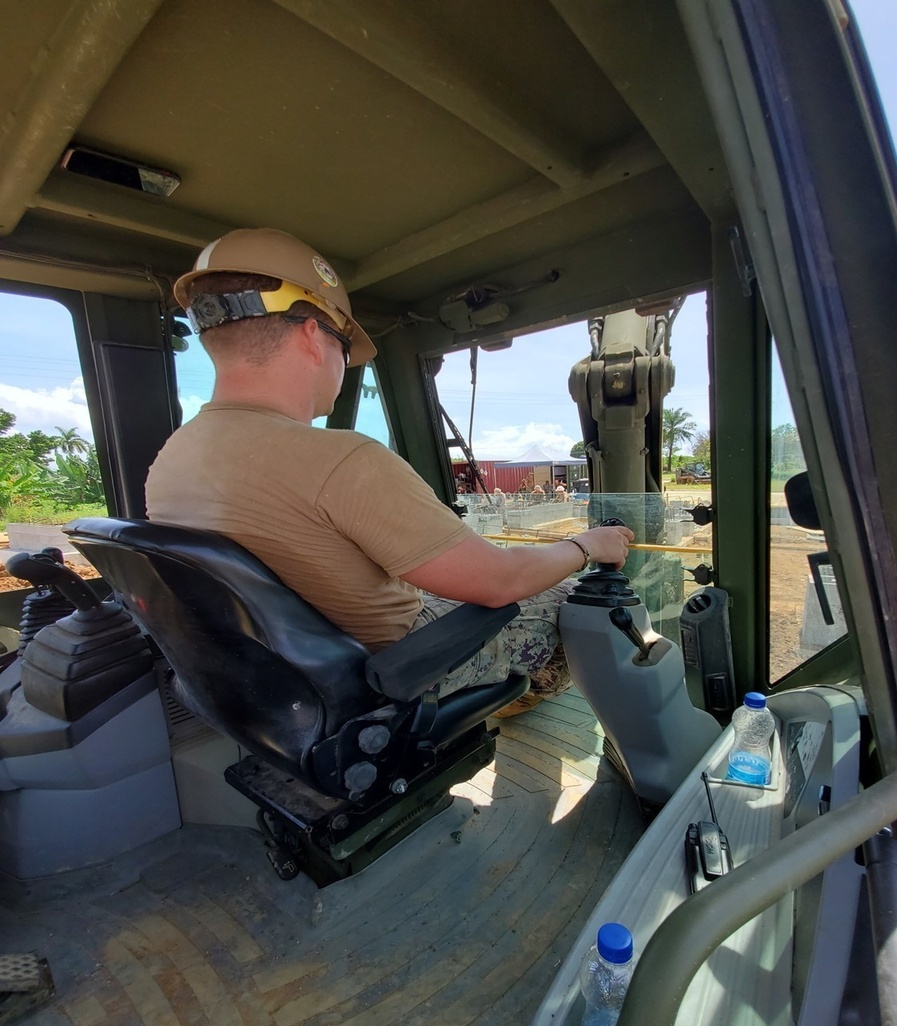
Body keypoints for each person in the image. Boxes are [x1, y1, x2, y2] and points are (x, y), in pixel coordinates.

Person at [146, 228, 633, 702]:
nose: (344, 363)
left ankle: (489, 707)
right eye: (344, 346)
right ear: (315, 337)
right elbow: (500, 581)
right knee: (579, 598)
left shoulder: (173, 457)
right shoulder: (339, 459)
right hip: (391, 670)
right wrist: (587, 543)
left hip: (277, 679)